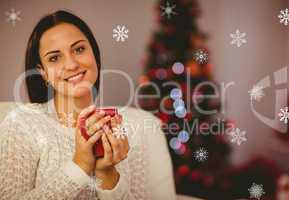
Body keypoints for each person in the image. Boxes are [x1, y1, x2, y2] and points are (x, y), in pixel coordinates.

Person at [0, 10, 176, 199]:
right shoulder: (23, 124)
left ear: (94, 54)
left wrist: (107, 175)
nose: (71, 64)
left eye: (79, 49)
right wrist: (80, 166)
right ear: (42, 72)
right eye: (54, 58)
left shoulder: (136, 130)